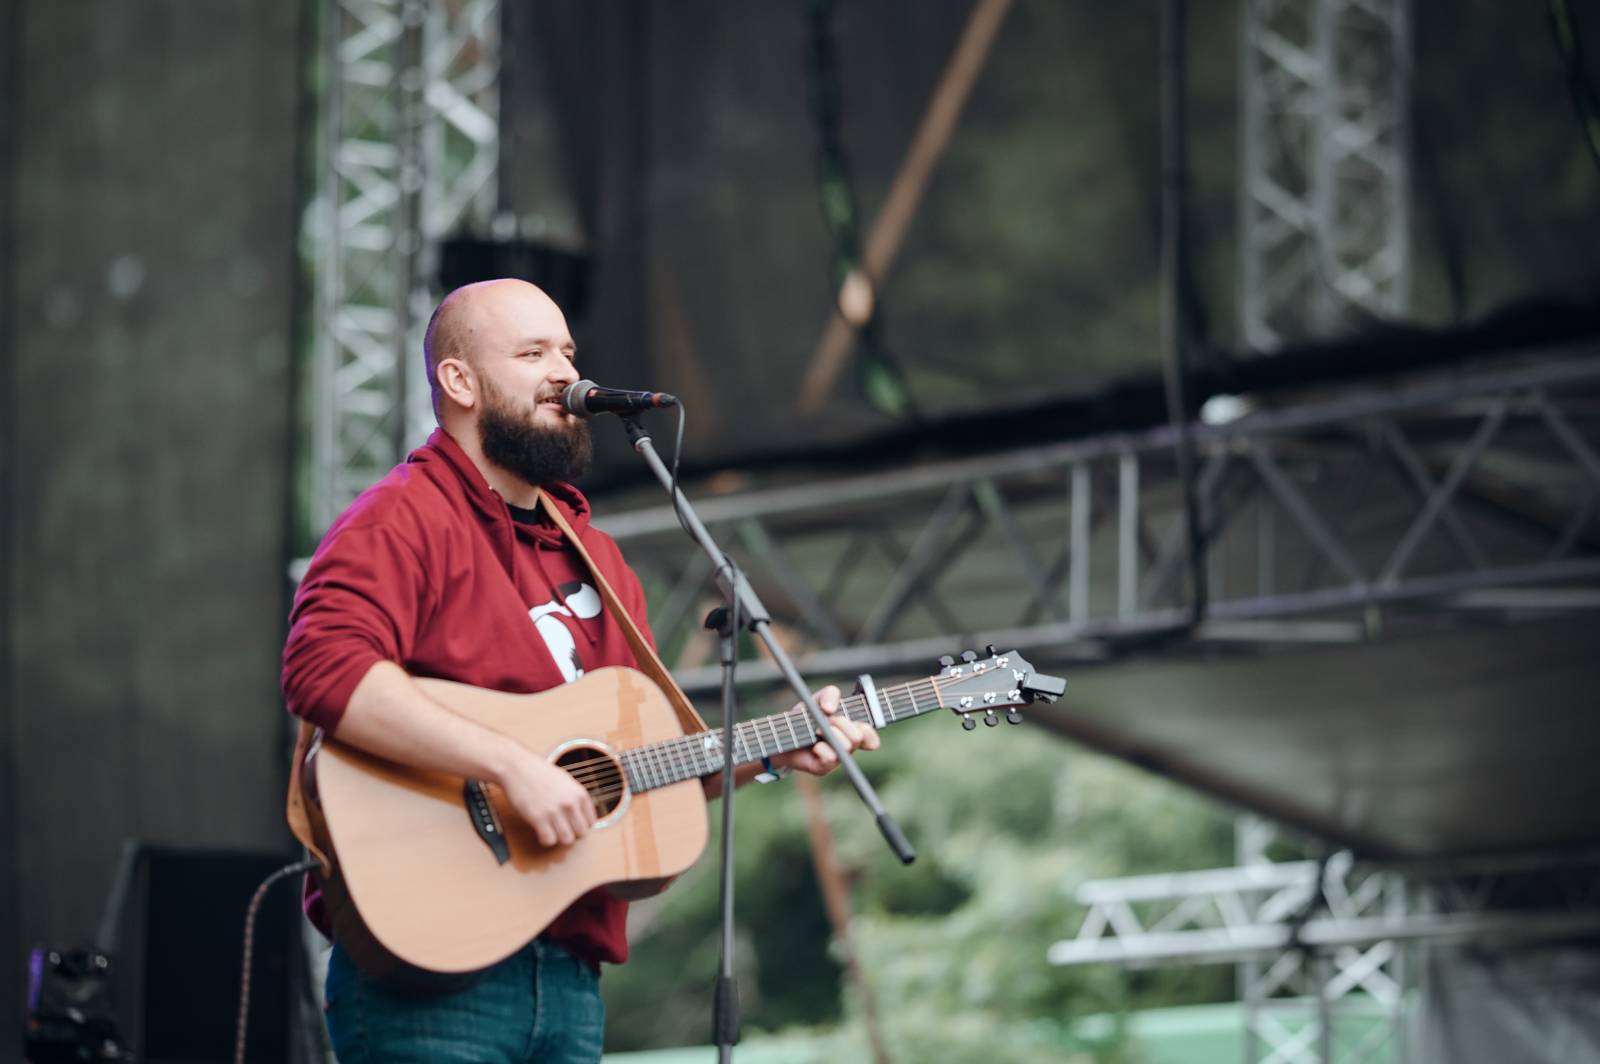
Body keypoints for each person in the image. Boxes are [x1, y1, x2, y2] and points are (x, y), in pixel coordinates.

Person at [280, 278, 879, 1062]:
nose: (565, 373)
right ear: (459, 382)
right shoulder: (402, 519)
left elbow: (635, 771)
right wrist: (508, 766)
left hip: (570, 979)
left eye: (566, 349)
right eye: (532, 353)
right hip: (433, 974)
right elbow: (323, 668)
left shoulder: (597, 559)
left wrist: (770, 752)